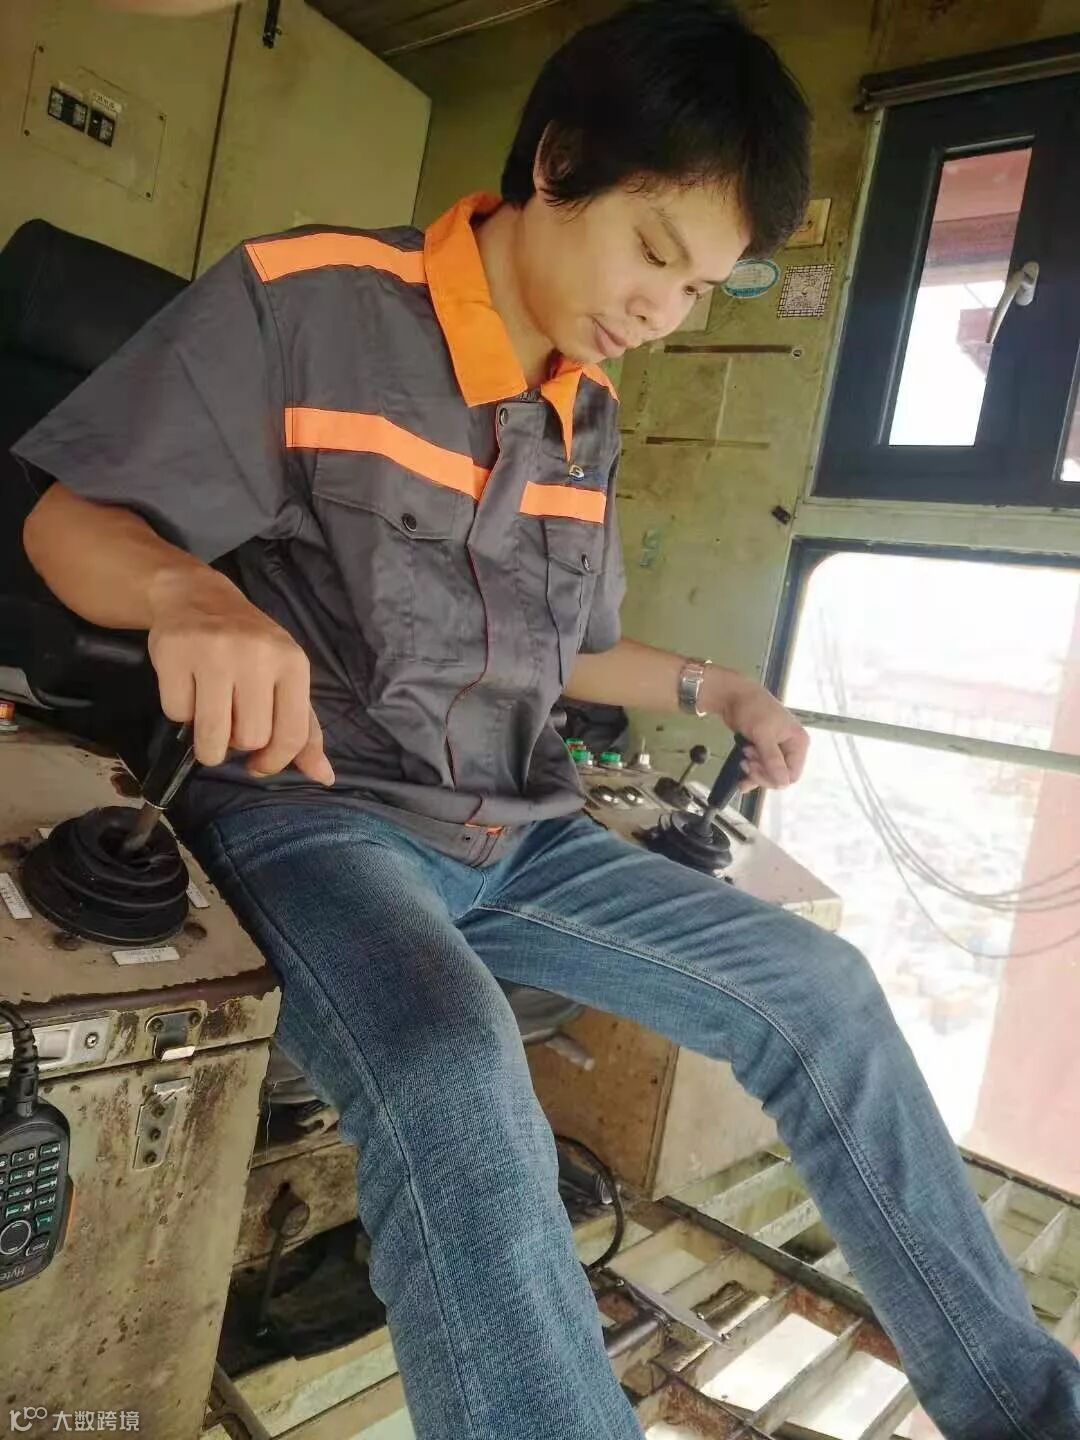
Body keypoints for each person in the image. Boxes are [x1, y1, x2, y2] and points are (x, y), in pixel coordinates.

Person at [15, 3, 1080, 1436]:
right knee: (455, 1064)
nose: (662, 311)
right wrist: (185, 592)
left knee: (826, 996)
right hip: (319, 815)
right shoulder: (310, 302)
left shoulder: (588, 412)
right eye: (653, 251)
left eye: (699, 288)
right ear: (559, 162)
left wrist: (719, 686)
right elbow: (67, 518)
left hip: (525, 834)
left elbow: (575, 651)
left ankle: (1031, 1411)